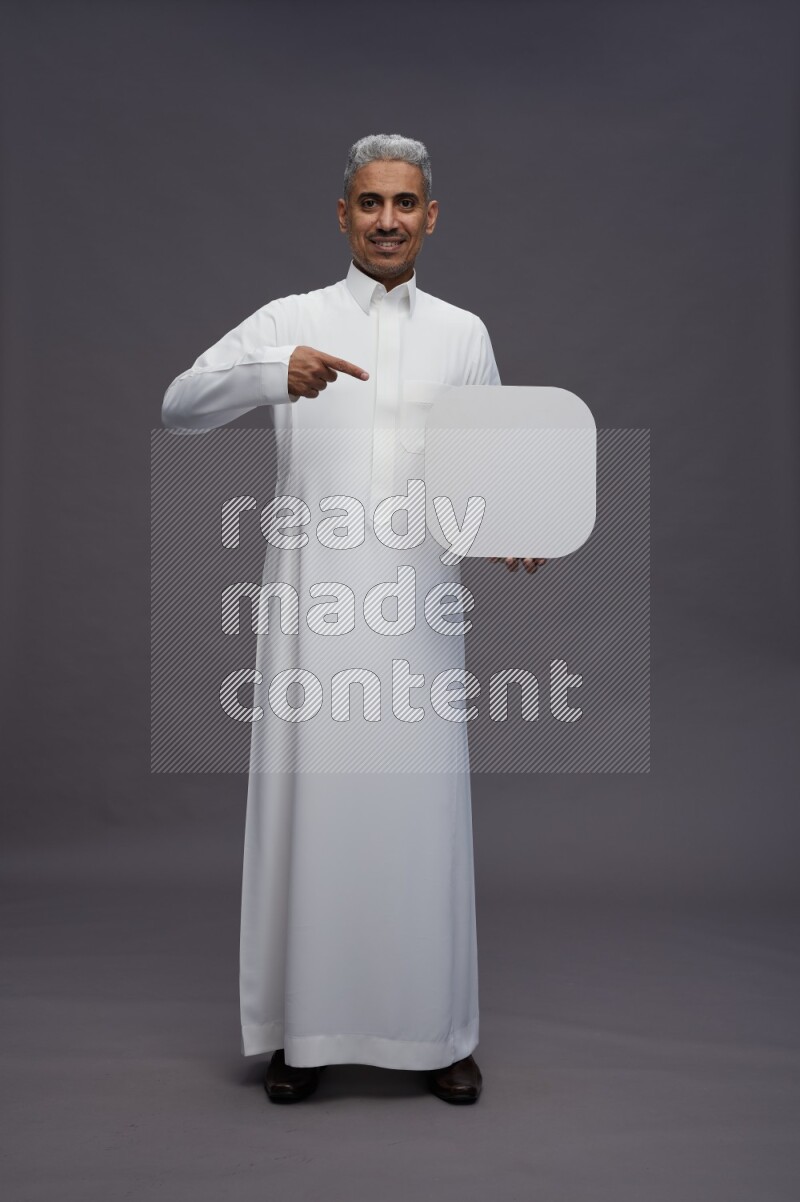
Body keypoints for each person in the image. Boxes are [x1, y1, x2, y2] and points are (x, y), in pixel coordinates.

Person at [162, 133, 544, 1105]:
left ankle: (437, 1034)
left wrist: (508, 527)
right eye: (369, 203)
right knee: (312, 815)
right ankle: (302, 1031)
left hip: (416, 614)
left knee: (421, 823)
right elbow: (179, 404)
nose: (385, 220)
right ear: (342, 216)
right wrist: (266, 374)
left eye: (403, 203)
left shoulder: (462, 332)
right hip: (310, 614)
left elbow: (490, 474)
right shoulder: (290, 319)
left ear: (429, 216)